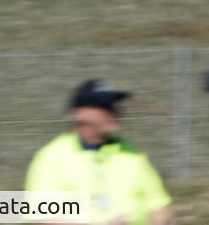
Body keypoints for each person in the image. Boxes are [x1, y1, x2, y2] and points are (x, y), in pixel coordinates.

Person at [25, 79, 174, 225]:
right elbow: (42, 220)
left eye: (113, 105)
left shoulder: (131, 153)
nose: (114, 111)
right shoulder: (51, 158)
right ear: (80, 114)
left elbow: (159, 206)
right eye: (104, 106)